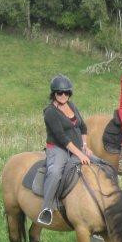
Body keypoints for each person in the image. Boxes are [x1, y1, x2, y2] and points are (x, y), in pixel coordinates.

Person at [37, 75, 91, 226]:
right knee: (54, 173)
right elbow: (61, 138)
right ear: (54, 93)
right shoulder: (50, 112)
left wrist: (85, 146)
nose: (63, 96)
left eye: (66, 93)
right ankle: (46, 208)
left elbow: (83, 127)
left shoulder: (72, 105)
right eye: (59, 93)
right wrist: (79, 154)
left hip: (77, 147)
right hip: (58, 149)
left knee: (100, 164)